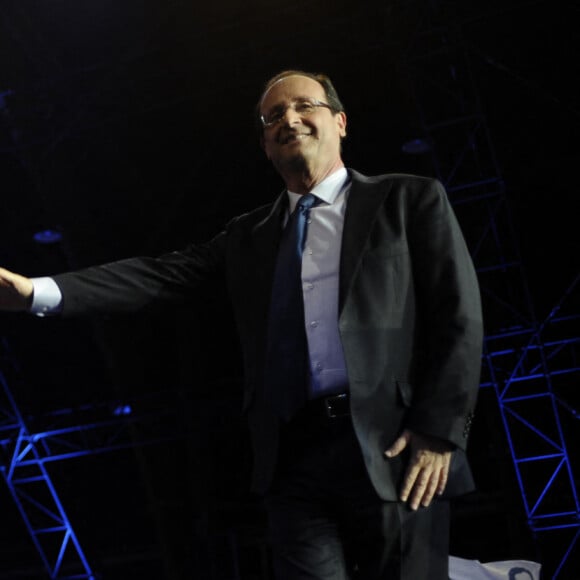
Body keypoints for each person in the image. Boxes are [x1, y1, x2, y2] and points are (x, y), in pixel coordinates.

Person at [0, 70, 483, 579]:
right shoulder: (247, 237)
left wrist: (439, 430)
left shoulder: (409, 200)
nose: (289, 119)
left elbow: (459, 316)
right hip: (292, 459)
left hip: (396, 448)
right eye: (274, 116)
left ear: (340, 122)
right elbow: (159, 277)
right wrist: (36, 292)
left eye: (304, 106)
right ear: (266, 145)